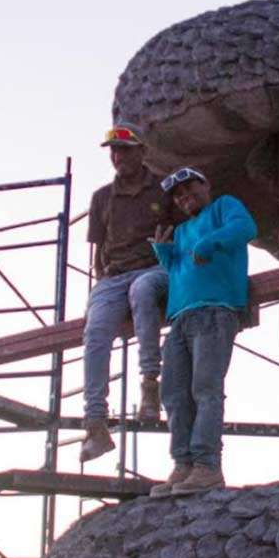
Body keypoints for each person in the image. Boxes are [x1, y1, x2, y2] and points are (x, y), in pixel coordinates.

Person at [148, 166, 256, 496]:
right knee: (174, 395)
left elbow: (245, 228)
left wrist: (211, 241)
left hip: (216, 309)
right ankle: (184, 464)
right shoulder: (180, 232)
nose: (184, 198)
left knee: (206, 389)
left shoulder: (225, 206)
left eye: (189, 189)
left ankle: (207, 466)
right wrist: (165, 254)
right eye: (178, 197)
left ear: (205, 185)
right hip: (180, 316)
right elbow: (181, 271)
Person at [79, 124, 174, 463]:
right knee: (95, 330)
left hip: (152, 269)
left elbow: (181, 230)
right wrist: (101, 278)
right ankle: (95, 424)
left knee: (144, 291)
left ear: (141, 152)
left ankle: (150, 385)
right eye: (113, 152)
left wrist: (170, 253)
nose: (118, 157)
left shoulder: (163, 190)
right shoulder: (102, 197)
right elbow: (98, 248)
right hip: (114, 276)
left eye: (125, 150)